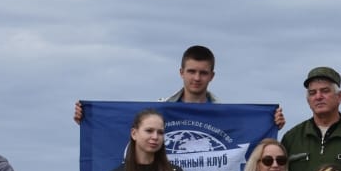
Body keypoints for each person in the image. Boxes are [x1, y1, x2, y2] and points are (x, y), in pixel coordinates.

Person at [72, 44, 283, 127]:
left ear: (212, 76)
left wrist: (270, 123)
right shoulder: (158, 110)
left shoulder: (225, 115)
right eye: (191, 71)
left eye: (203, 73)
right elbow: (123, 129)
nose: (197, 78)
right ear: (181, 72)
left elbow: (252, 142)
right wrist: (90, 119)